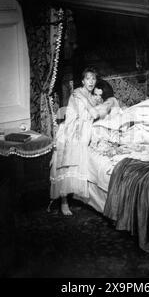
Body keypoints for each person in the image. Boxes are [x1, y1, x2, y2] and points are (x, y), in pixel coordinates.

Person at [50, 68, 113, 215]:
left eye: (93, 79)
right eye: (88, 78)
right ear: (83, 81)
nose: (91, 81)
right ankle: (64, 202)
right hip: (71, 131)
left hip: (84, 131)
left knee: (78, 165)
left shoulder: (92, 96)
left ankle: (75, 198)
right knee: (66, 165)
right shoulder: (78, 93)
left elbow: (96, 114)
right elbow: (90, 114)